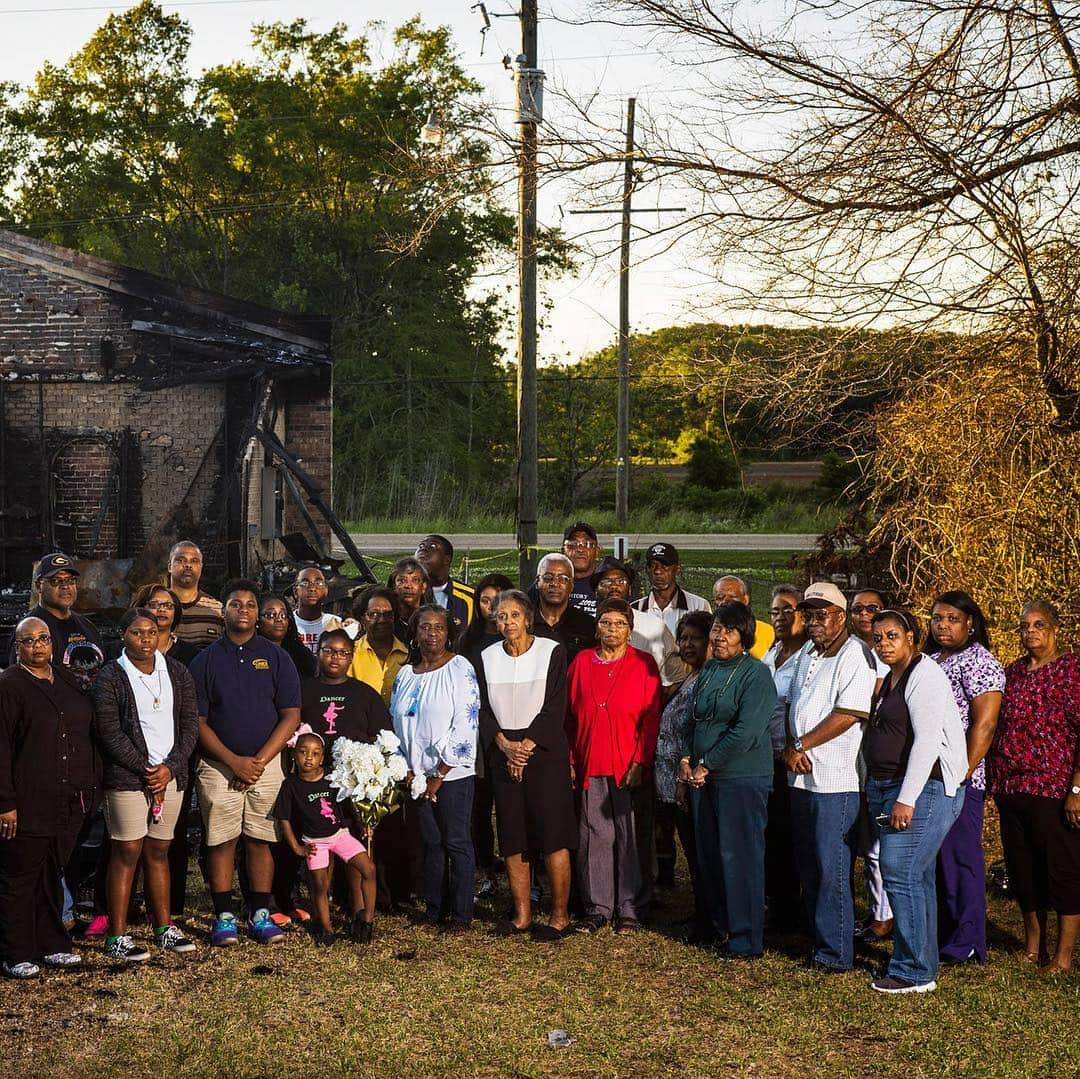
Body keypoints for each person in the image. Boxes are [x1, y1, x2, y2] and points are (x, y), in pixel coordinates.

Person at [188, 579, 301, 947]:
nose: (244, 611)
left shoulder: (275, 656)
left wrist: (259, 761)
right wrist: (234, 762)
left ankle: (260, 913)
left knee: (260, 839)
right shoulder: (206, 660)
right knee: (221, 839)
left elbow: (290, 714)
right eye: (236, 604)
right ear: (224, 611)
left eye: (251, 605)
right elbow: (198, 721)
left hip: (266, 766)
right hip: (220, 765)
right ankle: (223, 915)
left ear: (257, 613)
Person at [864, 609, 969, 993]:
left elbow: (926, 741)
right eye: (878, 638)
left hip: (925, 786)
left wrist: (906, 799)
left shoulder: (924, 674)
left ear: (911, 637)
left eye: (892, 636)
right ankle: (920, 962)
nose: (884, 644)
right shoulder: (892, 677)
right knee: (914, 874)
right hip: (892, 784)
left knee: (899, 868)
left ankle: (913, 970)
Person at [92, 608, 200, 962]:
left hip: (170, 778)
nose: (145, 639)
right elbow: (109, 732)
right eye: (137, 632)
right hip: (127, 779)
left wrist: (168, 768)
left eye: (152, 633)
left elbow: (189, 728)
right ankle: (117, 935)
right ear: (124, 634)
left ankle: (163, 927)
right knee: (127, 852)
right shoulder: (111, 676)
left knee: (159, 852)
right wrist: (146, 769)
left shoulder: (177, 673)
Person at [782, 581, 876, 972]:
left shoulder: (856, 654)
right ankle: (819, 938)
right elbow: (794, 704)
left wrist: (801, 744)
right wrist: (793, 745)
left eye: (822, 615)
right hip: (802, 777)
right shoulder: (807, 650)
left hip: (836, 780)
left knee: (831, 865)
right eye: (810, 615)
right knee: (809, 863)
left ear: (841, 616)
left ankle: (836, 953)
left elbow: (850, 712)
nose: (815, 622)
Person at [476, 589, 577, 941]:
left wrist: (526, 748)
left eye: (514, 616)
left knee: (552, 835)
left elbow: (555, 706)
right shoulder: (486, 656)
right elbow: (482, 709)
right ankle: (521, 915)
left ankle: (559, 916)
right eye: (501, 616)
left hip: (543, 751)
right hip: (503, 751)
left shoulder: (551, 651)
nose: (507, 623)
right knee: (513, 835)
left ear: (528, 618)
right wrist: (505, 746)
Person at [0, 616, 95, 978]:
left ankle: (53, 943)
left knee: (51, 875)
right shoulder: (9, 686)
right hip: (26, 800)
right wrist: (5, 802)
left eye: (43, 639)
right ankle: (16, 951)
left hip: (67, 798)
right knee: (19, 878)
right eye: (28, 640)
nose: (37, 646)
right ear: (17, 646)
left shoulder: (68, 681)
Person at [989, 599, 1080, 974]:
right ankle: (1033, 945)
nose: (1030, 633)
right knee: (1023, 867)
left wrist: (1077, 789)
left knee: (1062, 869)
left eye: (1038, 625)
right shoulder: (1014, 673)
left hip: (1055, 788)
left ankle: (1062, 954)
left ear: (1055, 629)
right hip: (1012, 784)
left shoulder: (1072, 669)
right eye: (1025, 626)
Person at [681, 603, 776, 958]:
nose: (720, 637)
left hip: (741, 777)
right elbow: (696, 719)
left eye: (729, 631)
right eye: (717, 629)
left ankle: (745, 938)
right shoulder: (709, 670)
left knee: (740, 857)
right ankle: (717, 925)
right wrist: (688, 758)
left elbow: (747, 732)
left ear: (745, 637)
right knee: (710, 856)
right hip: (703, 779)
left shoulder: (756, 674)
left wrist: (707, 764)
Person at [567, 598, 662, 935]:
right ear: (597, 626)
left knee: (630, 836)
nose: (612, 630)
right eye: (606, 622)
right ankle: (597, 907)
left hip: (629, 763)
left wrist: (641, 760)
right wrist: (571, 759)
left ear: (630, 629)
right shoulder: (580, 662)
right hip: (591, 758)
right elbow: (568, 716)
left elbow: (651, 718)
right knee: (595, 835)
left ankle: (630, 908)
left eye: (619, 624)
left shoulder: (644, 664)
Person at [926, 589, 1005, 965]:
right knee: (935, 860)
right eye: (938, 618)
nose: (943, 625)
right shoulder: (930, 658)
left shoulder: (980, 662)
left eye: (952, 619)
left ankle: (968, 940)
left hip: (959, 779)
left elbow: (985, 725)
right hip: (926, 776)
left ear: (970, 623)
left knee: (961, 860)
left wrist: (961, 773)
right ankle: (943, 933)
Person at [390, 605, 479, 932]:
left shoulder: (459, 668)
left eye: (438, 628)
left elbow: (466, 725)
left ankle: (461, 914)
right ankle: (434, 909)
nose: (431, 634)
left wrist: (439, 774)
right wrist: (408, 770)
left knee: (456, 842)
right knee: (431, 843)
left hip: (450, 775)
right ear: (414, 632)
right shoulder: (405, 674)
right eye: (424, 627)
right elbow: (396, 725)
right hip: (416, 777)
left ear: (448, 633)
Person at [274, 732, 377, 946]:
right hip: (314, 842)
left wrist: (362, 824)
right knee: (320, 885)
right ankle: (326, 928)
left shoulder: (332, 777)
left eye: (315, 753)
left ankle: (366, 921)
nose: (308, 758)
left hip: (340, 835)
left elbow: (349, 804)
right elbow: (283, 818)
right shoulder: (290, 785)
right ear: (294, 754)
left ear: (322, 757)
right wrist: (297, 847)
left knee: (369, 869)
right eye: (303, 752)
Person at [652, 611, 712, 928]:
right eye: (683, 638)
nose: (687, 644)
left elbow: (698, 730)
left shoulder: (708, 679)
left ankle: (708, 915)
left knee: (699, 850)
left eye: (695, 638)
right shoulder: (690, 675)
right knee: (689, 850)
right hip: (669, 778)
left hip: (688, 779)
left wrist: (684, 775)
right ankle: (701, 908)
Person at [457, 572, 514, 895]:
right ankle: (484, 867)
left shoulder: (519, 641)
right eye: (485, 600)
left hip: (510, 731)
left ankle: (518, 868)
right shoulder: (468, 642)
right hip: (476, 735)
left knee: (509, 805)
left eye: (499, 599)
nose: (492, 607)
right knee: (479, 806)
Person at [760, 584, 810, 932]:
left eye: (788, 610)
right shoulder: (770, 652)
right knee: (773, 835)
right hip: (767, 755)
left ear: (803, 616)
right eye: (775, 611)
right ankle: (777, 905)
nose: (780, 617)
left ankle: (796, 911)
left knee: (795, 837)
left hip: (793, 758)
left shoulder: (808, 656)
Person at [847, 587, 893, 943]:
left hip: (881, 758)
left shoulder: (888, 654)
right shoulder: (849, 650)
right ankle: (872, 910)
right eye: (857, 609)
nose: (864, 615)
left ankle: (883, 917)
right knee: (863, 841)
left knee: (878, 846)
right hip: (853, 756)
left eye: (872, 609)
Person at [12, 553, 105, 690]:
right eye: (56, 581)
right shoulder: (28, 630)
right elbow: (19, 685)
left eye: (70, 580)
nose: (65, 586)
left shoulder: (87, 626)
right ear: (39, 586)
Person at [592, 557, 684, 689]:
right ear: (595, 591)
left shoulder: (654, 626)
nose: (614, 586)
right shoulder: (585, 625)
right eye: (606, 582)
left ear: (629, 590)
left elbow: (674, 680)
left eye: (621, 581)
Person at [631, 542, 710, 637]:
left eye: (665, 566)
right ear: (647, 570)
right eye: (652, 565)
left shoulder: (698, 605)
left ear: (677, 569)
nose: (658, 571)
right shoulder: (635, 609)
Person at [347, 587, 410, 704]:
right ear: (362, 619)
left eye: (388, 614)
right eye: (374, 614)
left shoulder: (409, 655)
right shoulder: (349, 654)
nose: (381, 620)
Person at [532, 552, 596, 663]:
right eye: (548, 578)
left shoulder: (588, 625)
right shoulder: (524, 622)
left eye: (563, 578)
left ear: (572, 585)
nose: (555, 583)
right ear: (537, 582)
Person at [169, 541, 224, 651]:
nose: (188, 565)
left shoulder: (217, 610)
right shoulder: (157, 606)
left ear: (201, 567)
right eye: (181, 560)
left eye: (194, 561)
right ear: (170, 566)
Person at [415, 535, 475, 635]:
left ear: (446, 559)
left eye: (433, 546)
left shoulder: (471, 597)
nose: (424, 549)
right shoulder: (407, 593)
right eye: (421, 546)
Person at [131, 584, 200, 667]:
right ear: (140, 609)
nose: (162, 609)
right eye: (154, 605)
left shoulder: (191, 654)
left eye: (168, 606)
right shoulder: (121, 650)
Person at [712, 575, 775, 660]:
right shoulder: (708, 633)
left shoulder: (768, 632)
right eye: (719, 598)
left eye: (732, 597)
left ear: (745, 600)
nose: (725, 602)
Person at [258, 593, 317, 680]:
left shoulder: (302, 655)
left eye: (283, 615)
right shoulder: (249, 653)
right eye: (271, 615)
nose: (279, 619)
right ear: (257, 619)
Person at [292, 566, 342, 656]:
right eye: (305, 583)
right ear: (295, 591)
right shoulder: (287, 623)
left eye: (318, 583)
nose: (312, 588)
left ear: (326, 590)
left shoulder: (336, 623)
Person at [387, 557, 436, 648]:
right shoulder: (386, 622)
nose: (409, 586)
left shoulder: (435, 619)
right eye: (402, 580)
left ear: (424, 586)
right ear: (394, 586)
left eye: (415, 580)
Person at [562, 521, 601, 617]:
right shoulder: (548, 583)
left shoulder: (606, 585)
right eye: (573, 544)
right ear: (563, 551)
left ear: (597, 551)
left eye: (587, 544)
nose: (580, 549)